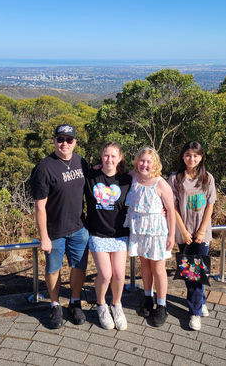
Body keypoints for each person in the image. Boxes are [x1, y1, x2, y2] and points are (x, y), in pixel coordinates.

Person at [30, 124, 89, 329]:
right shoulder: (44, 168)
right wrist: (44, 236)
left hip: (79, 228)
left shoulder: (82, 162)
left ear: (75, 142)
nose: (65, 143)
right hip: (54, 232)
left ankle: (74, 302)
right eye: (60, 139)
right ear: (54, 141)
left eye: (69, 139)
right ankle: (55, 305)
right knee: (53, 269)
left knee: (79, 267)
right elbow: (40, 206)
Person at [167, 141, 217, 331]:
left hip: (202, 233)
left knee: (198, 271)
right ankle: (197, 306)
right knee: (191, 271)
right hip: (185, 233)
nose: (192, 158)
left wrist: (202, 230)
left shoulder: (207, 178)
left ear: (201, 157)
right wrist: (184, 231)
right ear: (182, 156)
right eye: (188, 154)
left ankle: (196, 308)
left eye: (195, 155)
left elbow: (210, 205)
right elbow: (173, 207)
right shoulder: (175, 178)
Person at [124, 147, 175, 327]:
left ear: (155, 163)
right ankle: (147, 297)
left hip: (157, 233)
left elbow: (171, 211)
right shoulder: (133, 177)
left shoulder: (161, 184)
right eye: (142, 160)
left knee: (158, 269)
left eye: (148, 161)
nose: (145, 164)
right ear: (137, 161)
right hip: (139, 231)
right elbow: (115, 172)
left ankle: (162, 305)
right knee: (144, 266)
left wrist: (172, 235)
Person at [85, 141, 132, 330]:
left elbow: (149, 184)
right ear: (101, 156)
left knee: (119, 274)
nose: (109, 159)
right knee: (105, 274)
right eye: (106, 155)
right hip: (97, 233)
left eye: (113, 156)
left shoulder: (127, 180)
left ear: (120, 158)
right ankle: (101, 304)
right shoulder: (91, 176)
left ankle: (117, 305)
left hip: (119, 234)